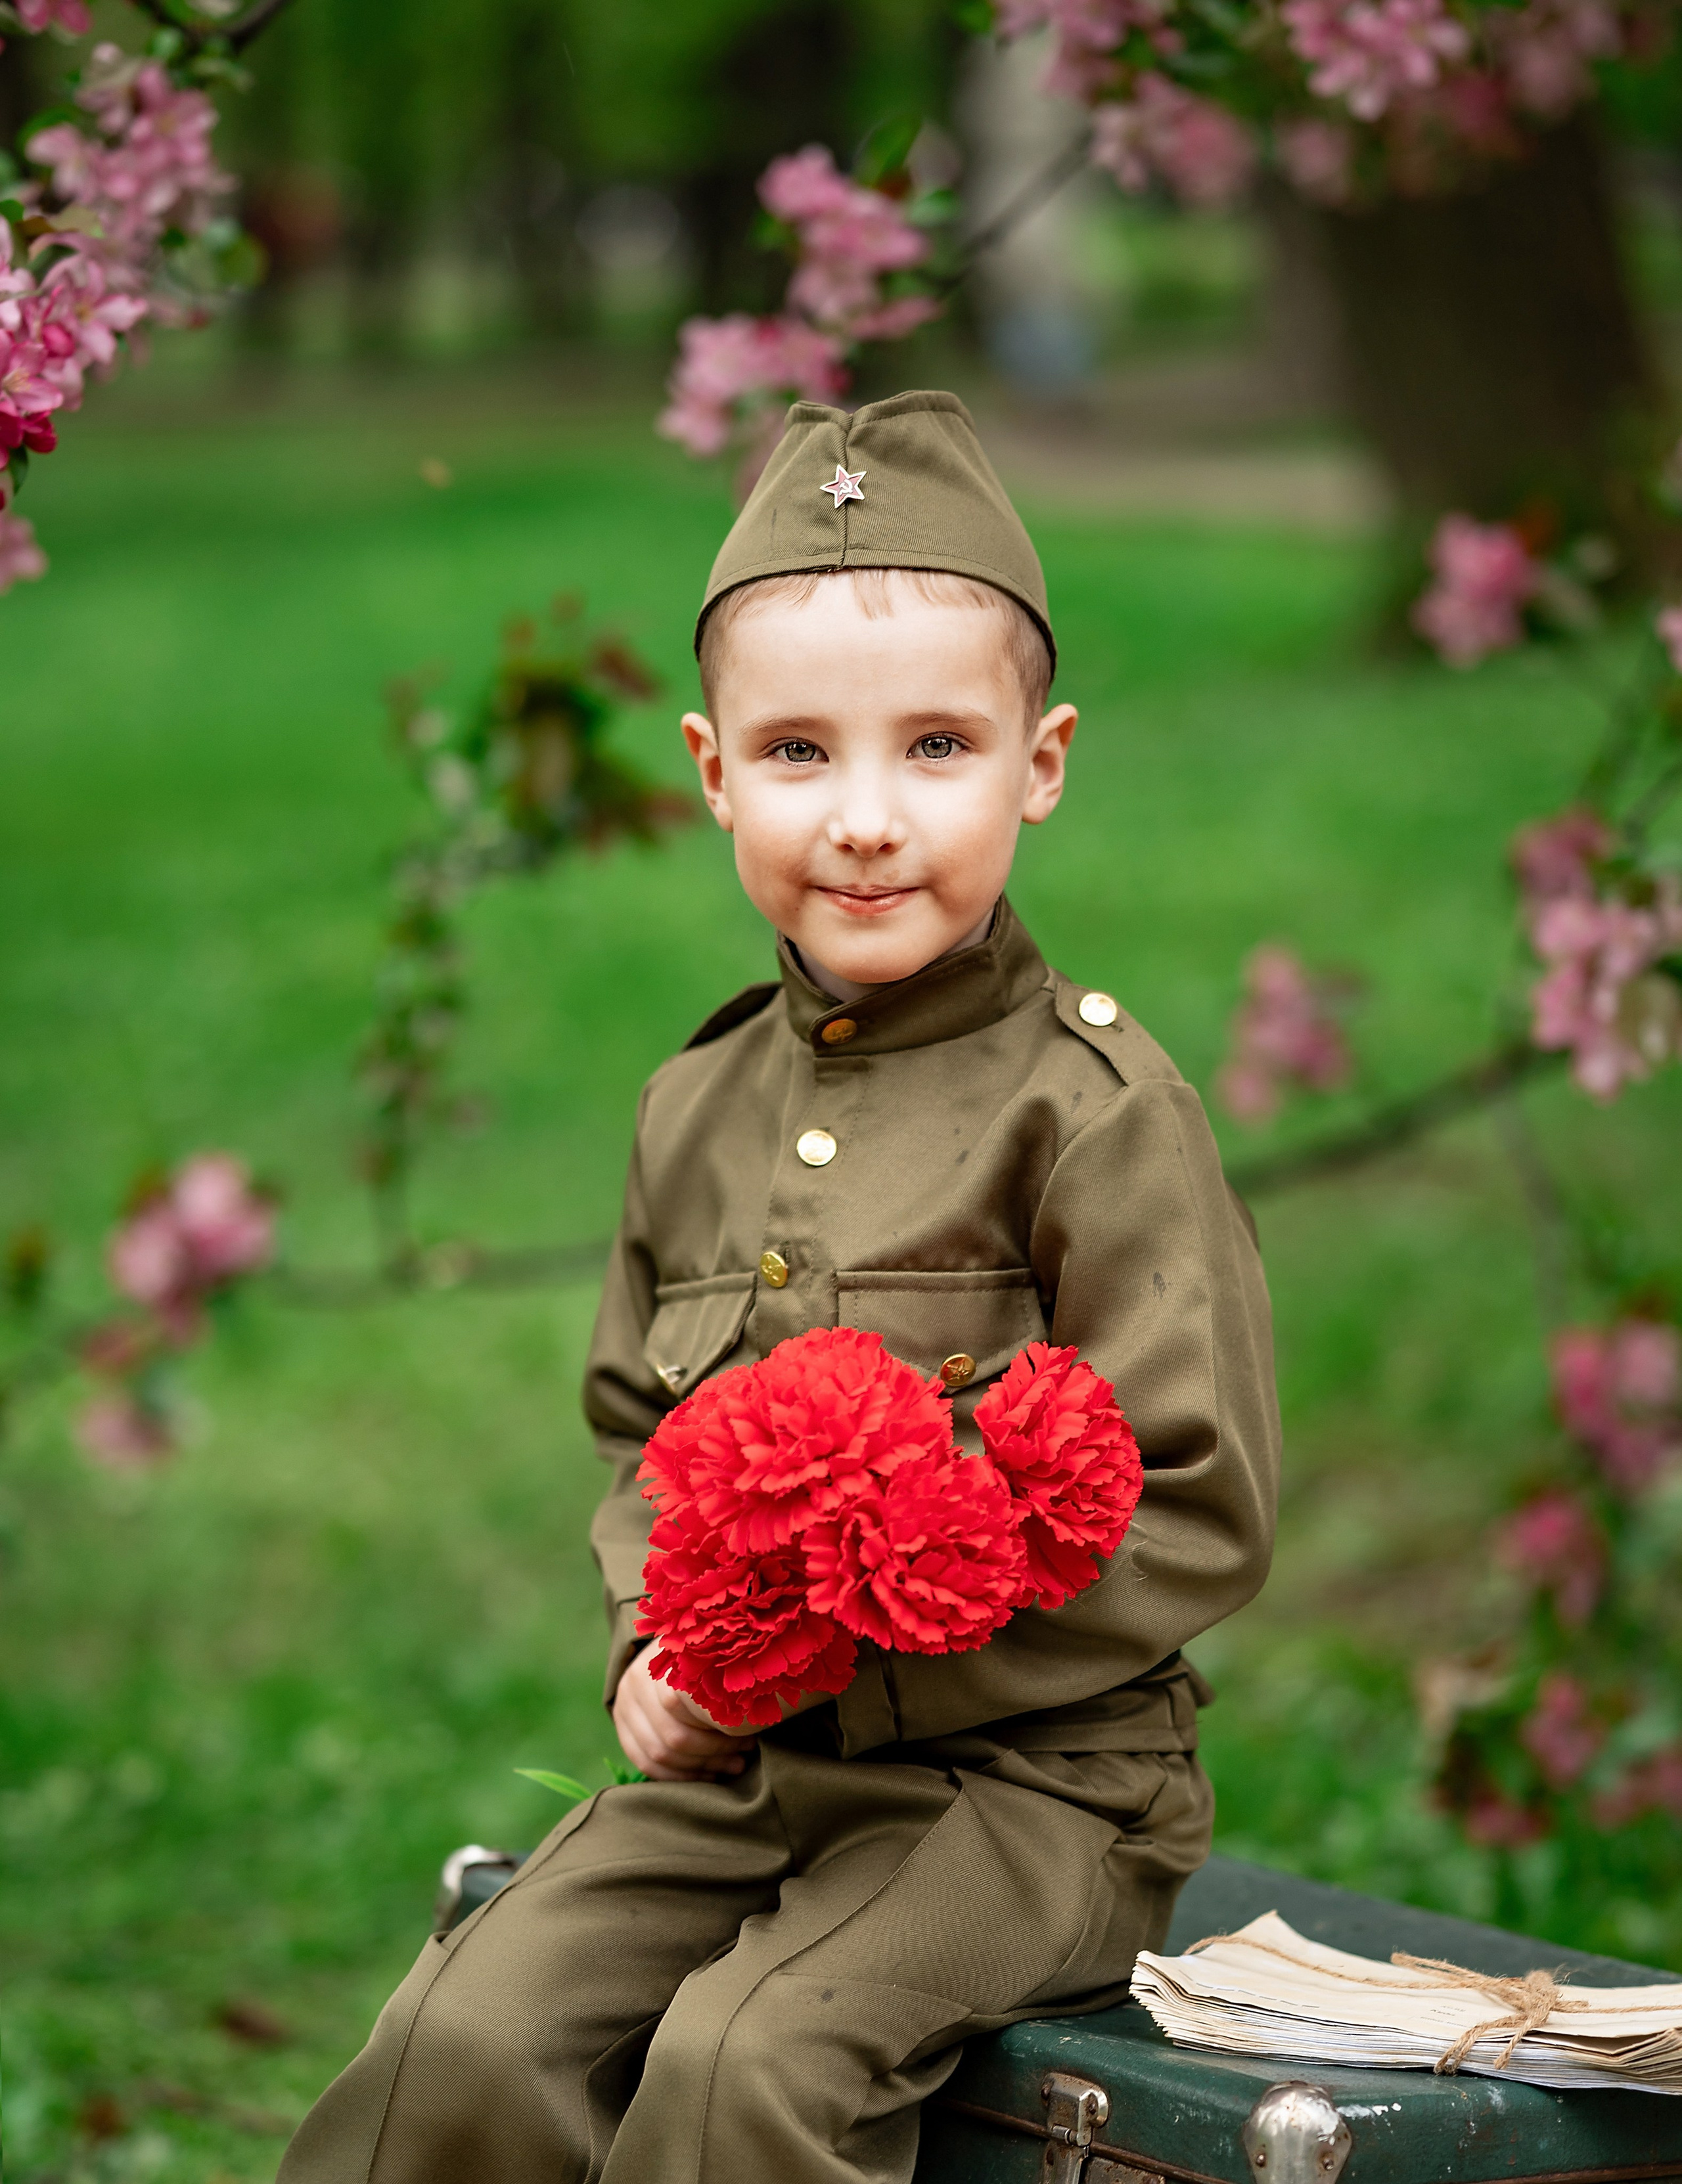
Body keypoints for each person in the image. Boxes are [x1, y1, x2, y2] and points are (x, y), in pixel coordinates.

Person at [277, 388, 1281, 2184]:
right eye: (803, 753)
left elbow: (1199, 1507)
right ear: (712, 768)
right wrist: (658, 1651)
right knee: (462, 2034)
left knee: (748, 2064)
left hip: (1033, 1793)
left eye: (939, 750)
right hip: (742, 1770)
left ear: (1040, 764)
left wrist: (865, 1666)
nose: (869, 820)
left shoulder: (1099, 1116)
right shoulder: (698, 1103)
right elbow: (638, 1437)